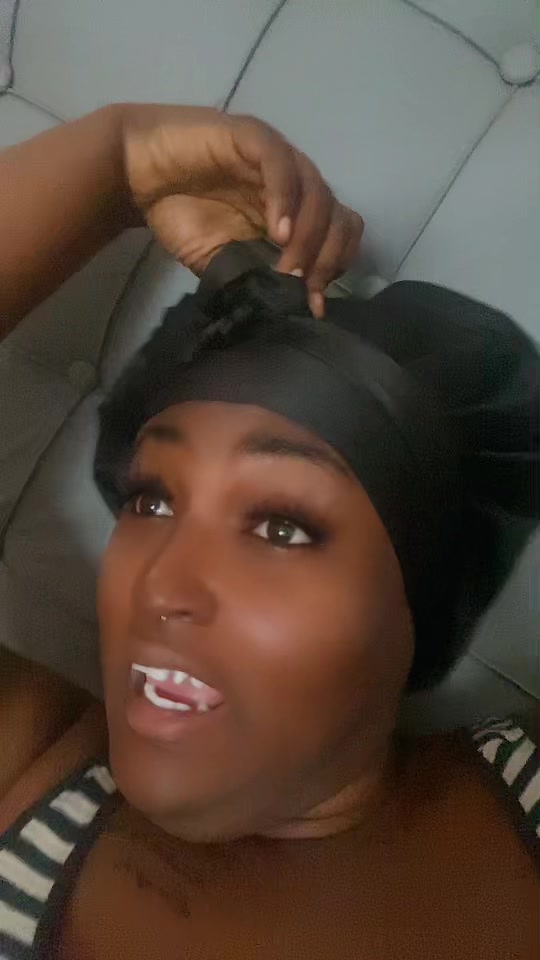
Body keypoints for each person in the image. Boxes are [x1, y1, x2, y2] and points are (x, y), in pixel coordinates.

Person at [0, 104, 537, 960]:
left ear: (423, 600)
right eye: (151, 502)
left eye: (283, 527)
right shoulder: (28, 770)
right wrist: (117, 161)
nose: (162, 584)